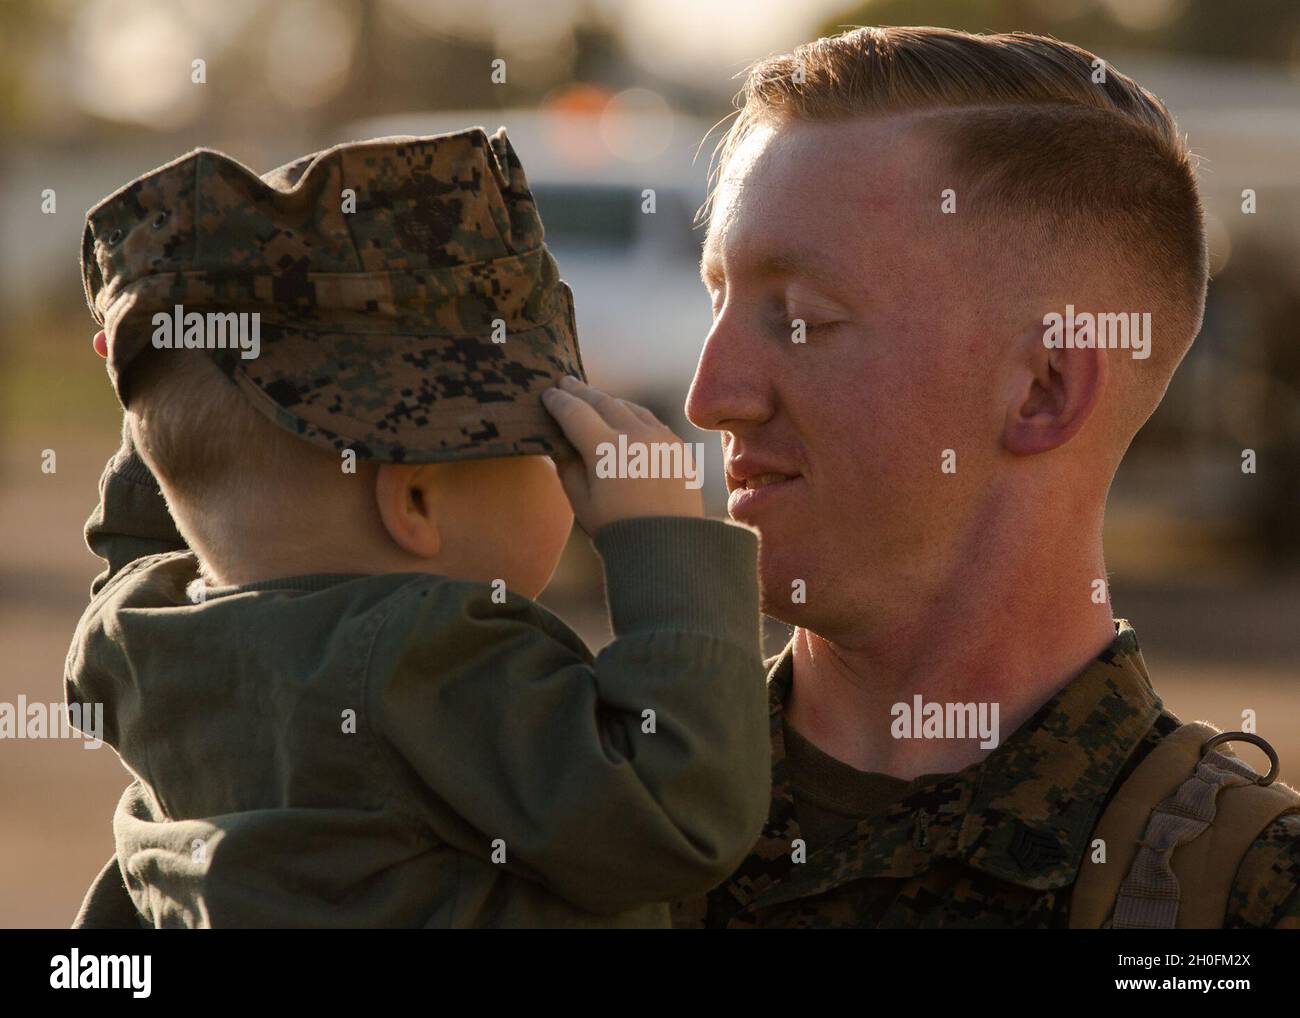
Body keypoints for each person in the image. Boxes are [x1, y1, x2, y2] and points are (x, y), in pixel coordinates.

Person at [672, 25, 1300, 928]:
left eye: (804, 318)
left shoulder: (1230, 903)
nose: (710, 396)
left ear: (1045, 388)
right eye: (718, 296)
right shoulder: (584, 819)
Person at [67, 128, 770, 928]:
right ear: (417, 504)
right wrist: (663, 542)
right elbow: (679, 814)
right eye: (549, 448)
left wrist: (163, 356)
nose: (577, 476)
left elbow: (151, 526)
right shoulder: (426, 656)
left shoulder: (136, 635)